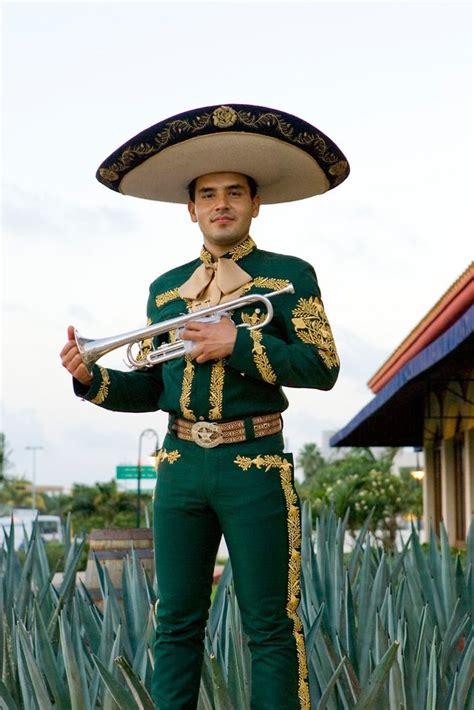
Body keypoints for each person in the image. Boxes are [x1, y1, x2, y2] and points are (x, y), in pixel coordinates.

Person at [60, 104, 350, 710]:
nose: (222, 203)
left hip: (256, 465)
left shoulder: (290, 277)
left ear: (254, 204)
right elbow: (151, 388)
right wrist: (92, 379)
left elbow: (323, 367)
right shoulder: (167, 290)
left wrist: (238, 342)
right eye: (209, 194)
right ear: (191, 208)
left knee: (271, 629)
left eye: (235, 193)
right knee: (175, 628)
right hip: (180, 468)